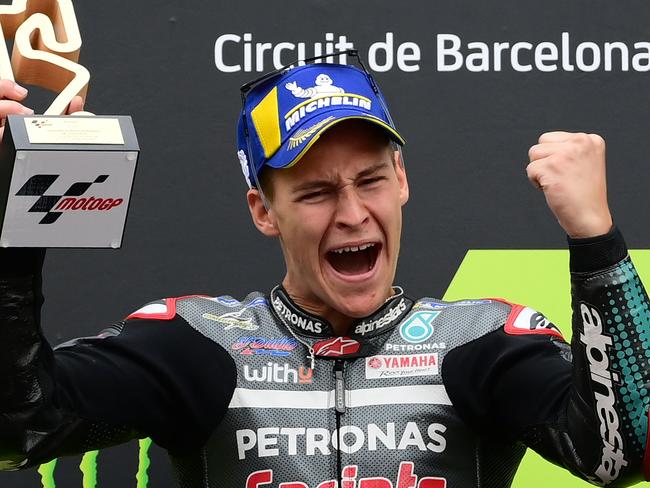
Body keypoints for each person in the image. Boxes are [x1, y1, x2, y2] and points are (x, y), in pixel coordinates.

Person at [0, 58, 648, 488]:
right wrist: (12, 224)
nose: (352, 213)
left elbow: (625, 456)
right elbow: (19, 427)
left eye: (370, 180)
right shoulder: (196, 344)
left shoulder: (482, 342)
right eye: (315, 193)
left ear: (402, 181)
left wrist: (597, 242)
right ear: (264, 211)